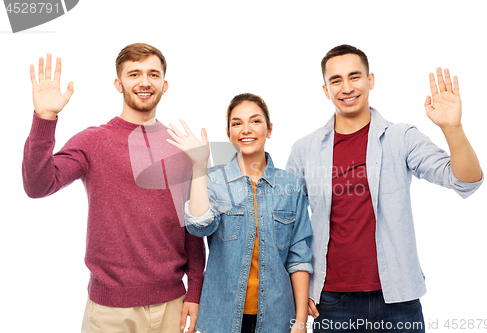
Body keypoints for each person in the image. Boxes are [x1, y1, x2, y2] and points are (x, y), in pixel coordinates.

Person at [286, 44, 483, 332]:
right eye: (336, 80)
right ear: (326, 90)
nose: (346, 87)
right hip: (331, 301)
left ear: (371, 80)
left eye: (354, 76)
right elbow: (290, 225)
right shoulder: (305, 149)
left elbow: (466, 180)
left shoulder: (400, 137)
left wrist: (452, 128)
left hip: (399, 301)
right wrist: (302, 292)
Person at [22, 43, 205, 333]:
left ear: (164, 84)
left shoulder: (181, 147)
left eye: (153, 74)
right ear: (118, 84)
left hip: (173, 305)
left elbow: (192, 227)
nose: (144, 82)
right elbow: (38, 185)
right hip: (110, 312)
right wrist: (44, 119)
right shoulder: (93, 141)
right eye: (134, 74)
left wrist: (195, 290)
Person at [166, 93, 313, 333]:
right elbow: (199, 226)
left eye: (255, 121)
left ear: (270, 129)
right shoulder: (214, 180)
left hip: (277, 318)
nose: (246, 129)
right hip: (222, 319)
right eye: (237, 123)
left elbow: (299, 257)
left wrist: (299, 321)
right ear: (228, 133)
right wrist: (199, 166)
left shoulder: (291, 185)